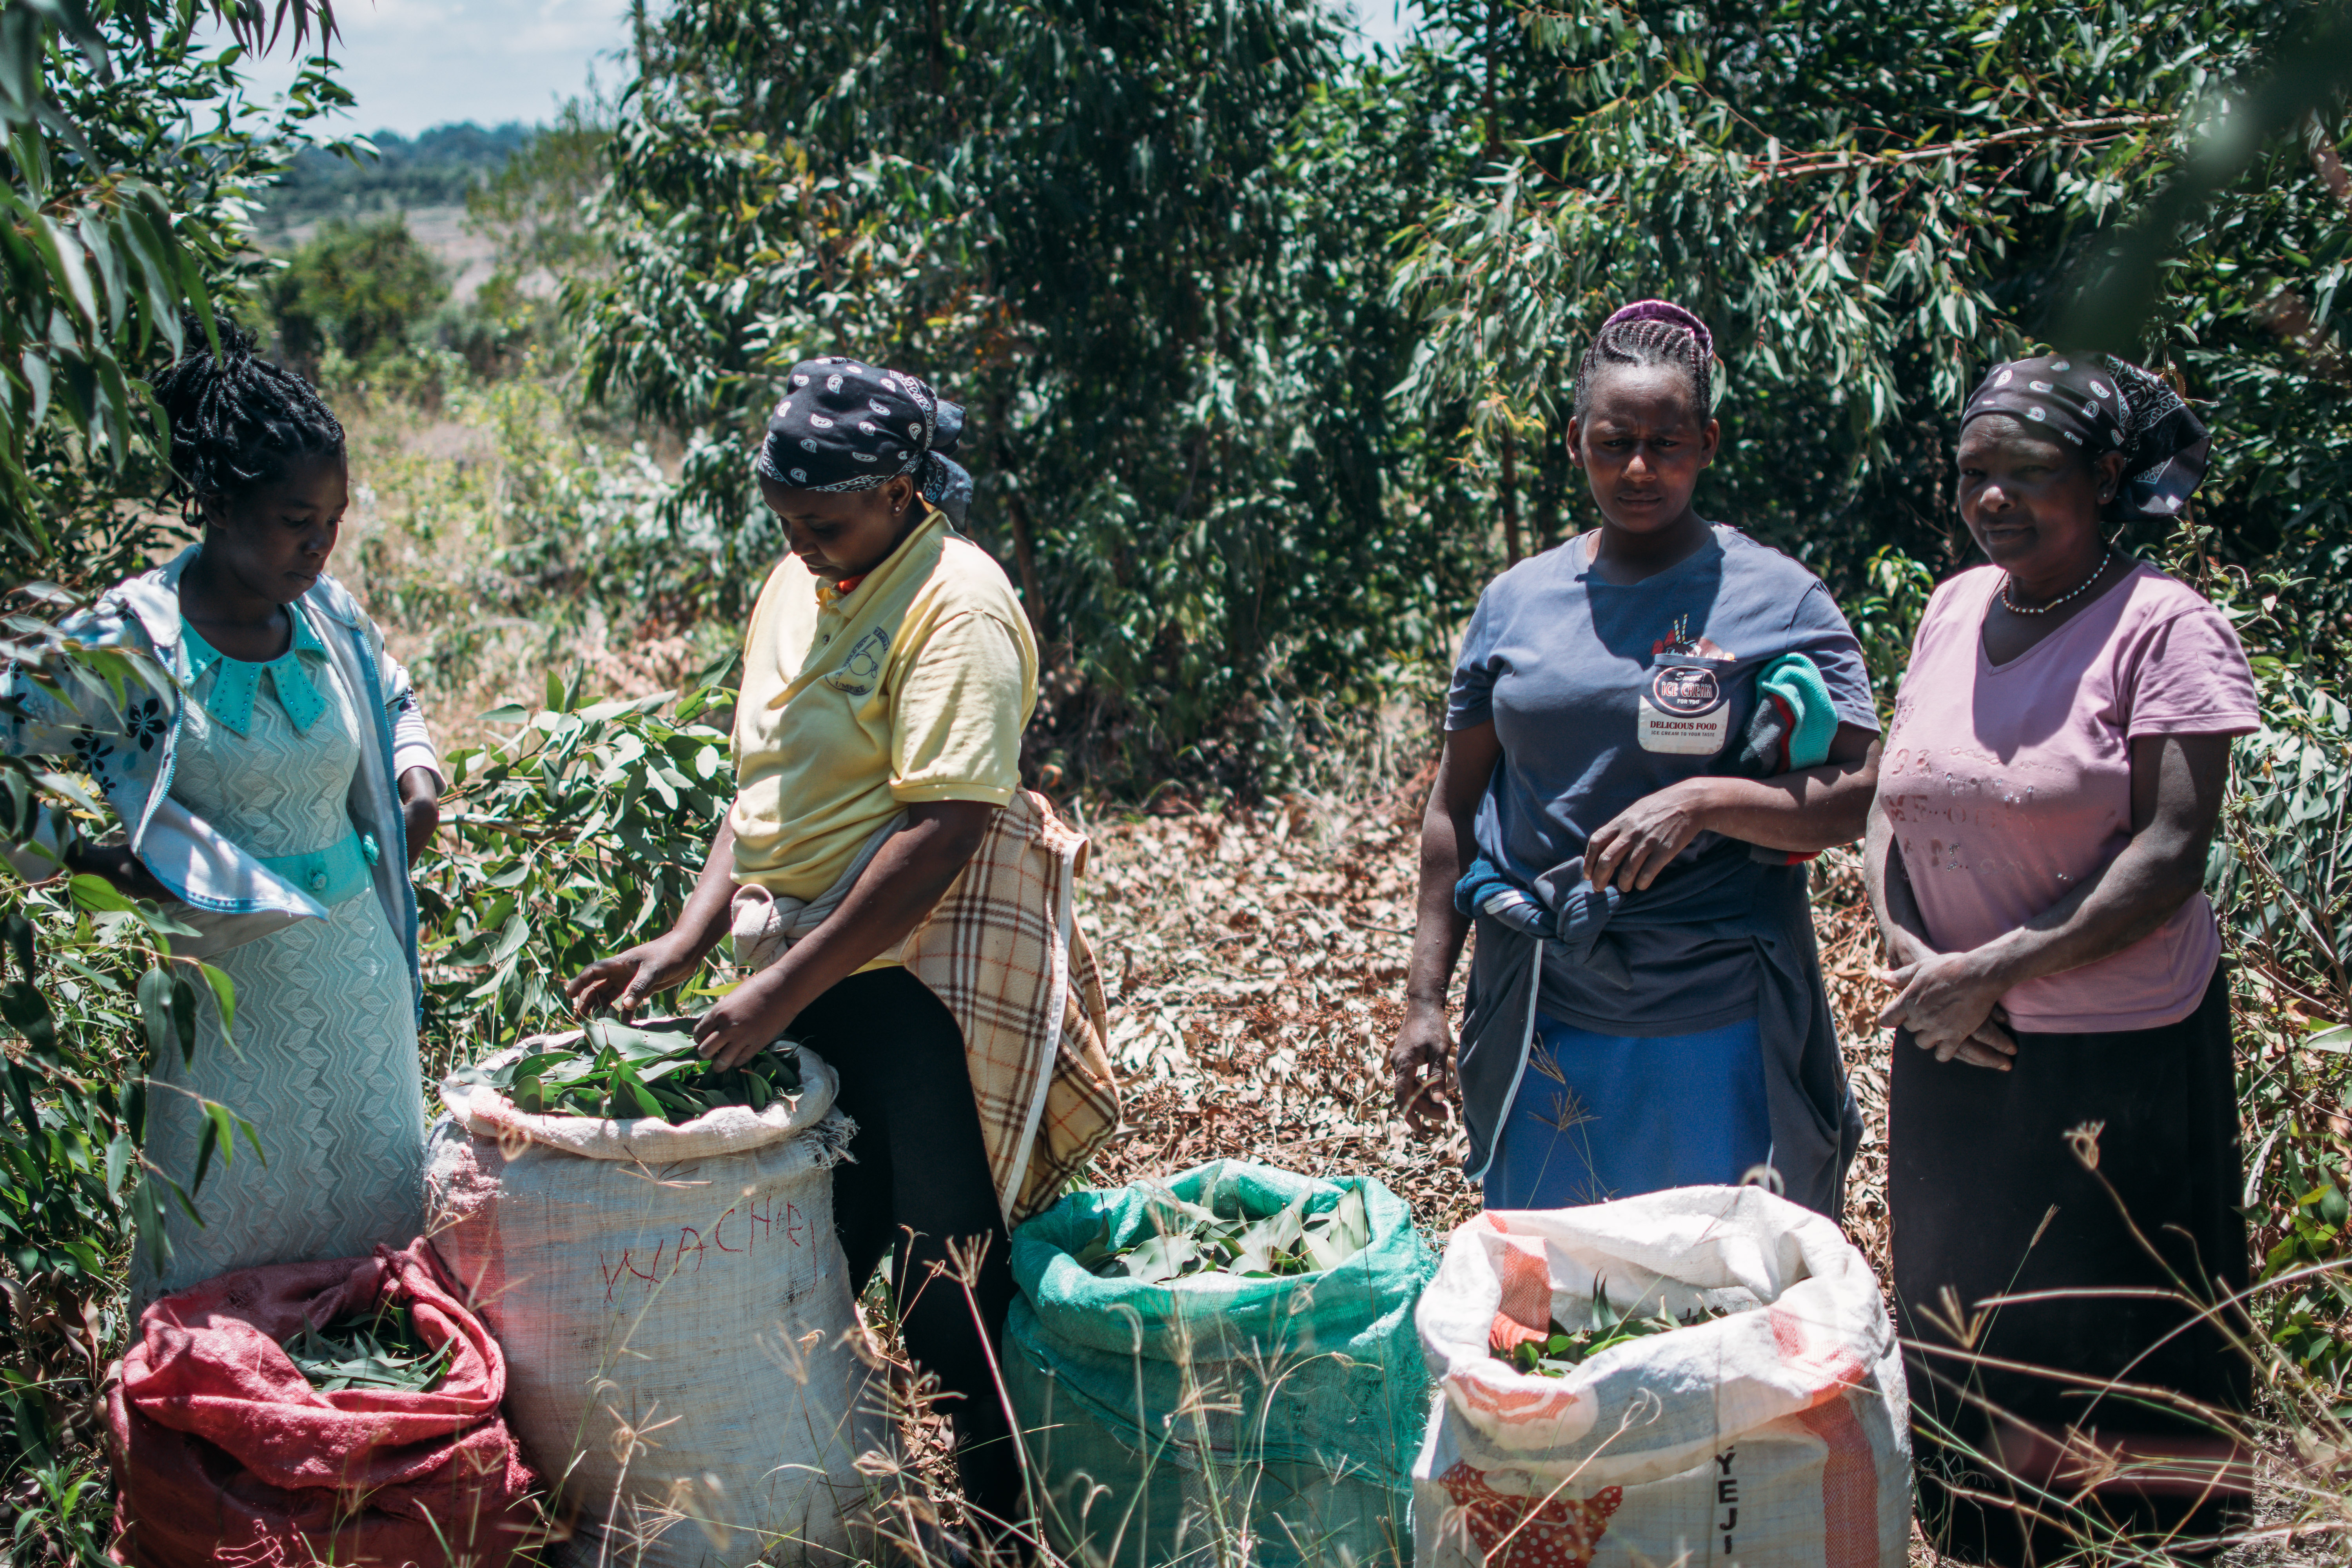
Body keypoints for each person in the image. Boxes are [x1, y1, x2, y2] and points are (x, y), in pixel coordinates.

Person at [567, 358, 1118, 1555]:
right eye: (786, 522)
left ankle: (1003, 1528)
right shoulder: (799, 578)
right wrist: (689, 935)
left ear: (904, 487)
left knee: (948, 1282)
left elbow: (942, 829)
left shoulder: (954, 604)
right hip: (810, 969)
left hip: (908, 980)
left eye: (825, 522)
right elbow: (763, 791)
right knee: (814, 1254)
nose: (802, 544)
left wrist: (779, 985)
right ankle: (812, 1512)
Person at [1868, 354, 2256, 1563]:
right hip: (1953, 1038)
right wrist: (1920, 961)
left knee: (2113, 1336)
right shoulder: (1951, 607)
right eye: (1977, 474)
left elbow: (2172, 850)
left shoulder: (2165, 626)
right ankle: (1988, 1543)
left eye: (2029, 474)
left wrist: (2002, 966)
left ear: (2103, 477)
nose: (1994, 500)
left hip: (2115, 1052)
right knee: (1969, 1320)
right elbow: (1893, 805)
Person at [1391, 299, 1882, 1216]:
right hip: (1544, 1003)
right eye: (1615, 441)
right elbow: (1454, 809)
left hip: (1718, 1007)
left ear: (1710, 442)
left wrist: (1706, 799)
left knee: (1723, 1284)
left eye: (1668, 441)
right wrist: (1426, 997)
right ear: (1576, 439)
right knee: (1559, 1288)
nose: (1640, 467)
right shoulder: (1515, 603)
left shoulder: (1777, 597)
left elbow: (1863, 787)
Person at [3, 319, 443, 1307]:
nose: (321, 542)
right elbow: (6, 746)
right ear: (217, 504)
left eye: (334, 517)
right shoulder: (132, 636)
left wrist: (417, 781)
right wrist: (91, 864)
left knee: (372, 1218)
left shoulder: (329, 613)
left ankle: (364, 1423)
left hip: (357, 972)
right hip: (228, 992)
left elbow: (395, 694)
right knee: (227, 1217)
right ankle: (212, 1423)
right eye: (297, 518)